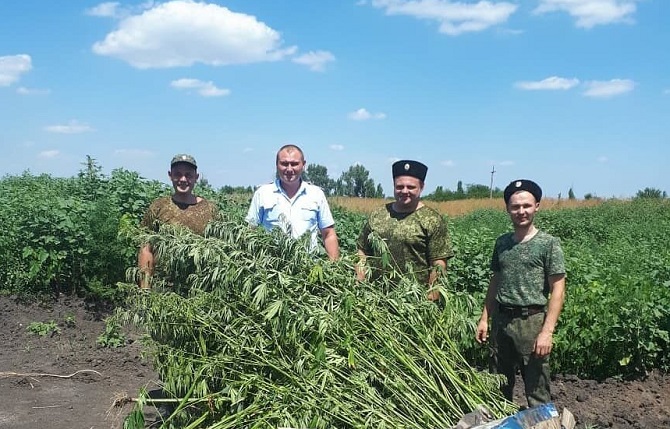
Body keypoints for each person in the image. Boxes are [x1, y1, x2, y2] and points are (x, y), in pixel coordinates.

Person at [475, 179, 566, 408]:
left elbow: (558, 289)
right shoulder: (502, 243)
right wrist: (485, 318)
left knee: (537, 389)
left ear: (537, 206)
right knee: (498, 386)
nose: (521, 211)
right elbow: (495, 281)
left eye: (526, 205)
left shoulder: (548, 244)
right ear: (507, 209)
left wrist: (547, 332)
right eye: (515, 207)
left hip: (531, 322)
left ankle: (543, 424)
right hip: (502, 321)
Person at [356, 160, 453, 300]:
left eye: (411, 187)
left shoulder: (431, 219)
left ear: (421, 187)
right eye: (399, 186)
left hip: (413, 302)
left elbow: (438, 265)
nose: (404, 191)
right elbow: (362, 250)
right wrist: (360, 284)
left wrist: (429, 301)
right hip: (375, 299)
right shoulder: (378, 214)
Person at [137, 153, 219, 289]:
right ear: (170, 175)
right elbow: (146, 249)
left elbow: (219, 250)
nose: (183, 179)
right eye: (178, 174)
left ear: (196, 177)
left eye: (188, 175)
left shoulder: (210, 209)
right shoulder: (158, 206)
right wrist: (145, 288)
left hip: (200, 289)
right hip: (163, 288)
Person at [245, 144, 340, 261]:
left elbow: (328, 234)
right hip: (270, 270)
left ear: (303, 165)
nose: (289, 169)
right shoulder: (262, 193)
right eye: (284, 164)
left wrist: (334, 268)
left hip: (308, 269)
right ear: (276, 165)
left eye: (294, 164)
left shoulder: (316, 194)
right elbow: (250, 231)